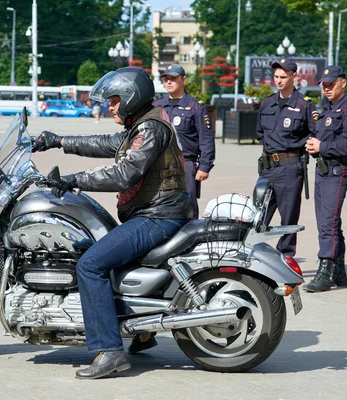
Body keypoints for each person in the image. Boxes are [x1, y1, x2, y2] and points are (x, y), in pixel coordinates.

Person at [34, 67, 192, 379]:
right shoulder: (142, 126)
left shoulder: (151, 130)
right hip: (156, 213)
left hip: (158, 217)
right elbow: (107, 143)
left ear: (132, 98)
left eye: (115, 100)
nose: (110, 106)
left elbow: (123, 174)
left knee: (90, 264)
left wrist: (72, 180)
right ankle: (142, 331)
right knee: (96, 251)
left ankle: (110, 351)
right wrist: (57, 141)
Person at [304, 65, 347, 293]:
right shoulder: (326, 109)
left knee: (327, 223)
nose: (326, 88)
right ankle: (339, 272)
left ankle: (325, 272)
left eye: (331, 84)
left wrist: (322, 146)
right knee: (328, 222)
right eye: (324, 85)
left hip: (337, 171)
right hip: (322, 170)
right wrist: (312, 144)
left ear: (343, 83)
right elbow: (321, 135)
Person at [255, 58, 316, 256]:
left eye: (283, 77)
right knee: (257, 216)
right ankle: (254, 256)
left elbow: (314, 133)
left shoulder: (305, 105)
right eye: (276, 77)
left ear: (294, 77)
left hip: (290, 167)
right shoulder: (266, 104)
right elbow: (260, 134)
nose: (278, 81)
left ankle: (286, 258)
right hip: (267, 168)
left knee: (288, 219)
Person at [153, 64, 215, 219]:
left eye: (173, 78)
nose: (169, 82)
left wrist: (205, 166)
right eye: (166, 79)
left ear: (184, 80)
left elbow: (206, 138)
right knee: (160, 203)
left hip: (185, 163)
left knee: (188, 205)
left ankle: (191, 239)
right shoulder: (156, 106)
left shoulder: (195, 107)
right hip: (159, 163)